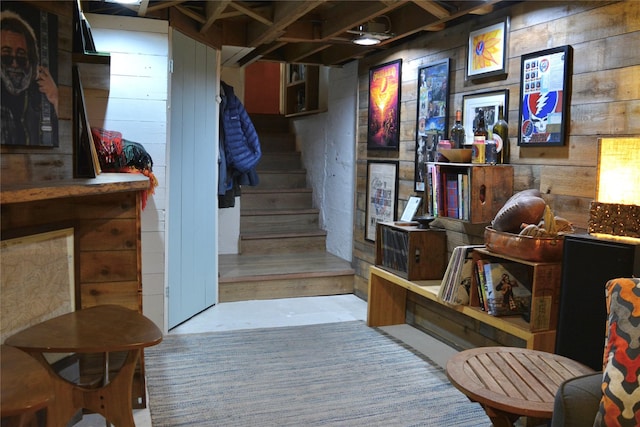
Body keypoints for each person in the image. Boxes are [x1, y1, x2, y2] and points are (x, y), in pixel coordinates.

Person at [1, 9, 58, 146]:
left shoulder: (39, 99)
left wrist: (55, 97)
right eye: (6, 56)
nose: (14, 64)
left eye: (21, 57)